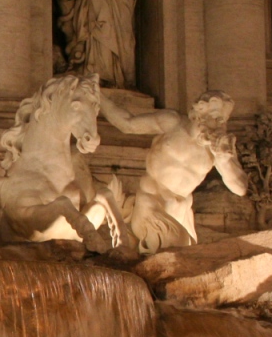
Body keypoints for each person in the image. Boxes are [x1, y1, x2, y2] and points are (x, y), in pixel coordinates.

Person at [100, 90, 248, 253]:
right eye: (214, 116)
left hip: (181, 212)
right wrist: (97, 96)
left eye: (222, 120)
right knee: (177, 247)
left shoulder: (217, 149)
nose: (218, 124)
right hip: (151, 202)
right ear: (199, 112)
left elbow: (240, 188)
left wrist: (224, 159)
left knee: (191, 258)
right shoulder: (173, 123)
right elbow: (127, 123)